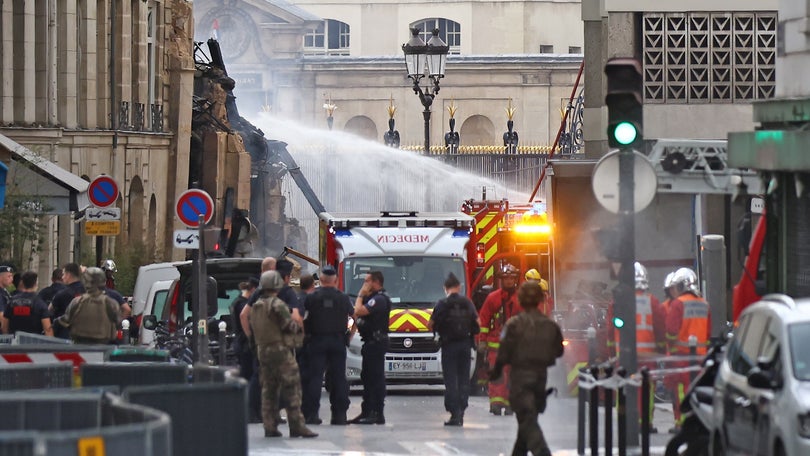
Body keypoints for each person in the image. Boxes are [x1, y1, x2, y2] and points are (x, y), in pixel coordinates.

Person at [488, 281, 564, 456]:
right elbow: (559, 351)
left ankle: (542, 451)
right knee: (528, 418)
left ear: (521, 300)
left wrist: (496, 372)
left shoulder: (513, 325)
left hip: (520, 380)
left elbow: (503, 352)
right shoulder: (550, 326)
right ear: (540, 300)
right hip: (540, 379)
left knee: (527, 420)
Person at [249, 270, 317, 439]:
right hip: (280, 350)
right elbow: (289, 325)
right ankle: (297, 426)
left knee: (269, 389)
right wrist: (299, 328)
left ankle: (269, 426)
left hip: (262, 350)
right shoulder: (277, 304)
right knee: (292, 386)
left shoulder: (256, 306)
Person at [301, 265, 353, 425]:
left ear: (321, 280)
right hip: (338, 341)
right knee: (338, 378)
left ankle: (311, 414)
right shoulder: (343, 298)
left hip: (316, 341)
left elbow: (303, 319)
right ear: (335, 280)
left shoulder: (311, 298)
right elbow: (355, 316)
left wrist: (305, 337)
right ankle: (339, 415)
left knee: (315, 378)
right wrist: (348, 337)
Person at [428, 272, 480, 426]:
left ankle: (454, 413)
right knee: (464, 379)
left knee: (451, 380)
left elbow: (430, 324)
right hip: (465, 345)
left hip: (449, 346)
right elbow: (478, 322)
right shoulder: (467, 303)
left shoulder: (442, 304)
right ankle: (461, 410)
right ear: (459, 287)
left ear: (446, 288)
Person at [665, 267, 710, 433]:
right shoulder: (704, 304)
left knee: (680, 391)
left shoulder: (678, 304)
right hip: (700, 357)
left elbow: (670, 330)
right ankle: (695, 421)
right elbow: (708, 332)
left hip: (681, 357)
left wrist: (670, 347)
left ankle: (682, 423)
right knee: (695, 391)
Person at [477, 263, 521, 415]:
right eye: (506, 278)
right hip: (495, 345)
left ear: (515, 279)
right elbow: (484, 320)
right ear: (502, 279)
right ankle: (496, 403)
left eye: (511, 278)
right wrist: (482, 340)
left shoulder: (521, 299)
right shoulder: (493, 298)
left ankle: (510, 404)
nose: (509, 281)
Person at [349, 271, 391, 425]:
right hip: (370, 343)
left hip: (376, 343)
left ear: (376, 282)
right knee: (367, 377)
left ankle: (376, 412)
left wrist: (360, 295)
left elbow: (358, 311)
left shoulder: (379, 299)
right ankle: (366, 411)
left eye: (367, 281)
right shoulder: (373, 298)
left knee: (375, 378)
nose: (364, 285)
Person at [56, 267, 120, 344]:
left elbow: (64, 321)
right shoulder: (110, 303)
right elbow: (118, 322)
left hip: (81, 345)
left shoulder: (77, 301)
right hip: (103, 346)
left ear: (86, 282)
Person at [2, 271, 52, 336]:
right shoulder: (40, 304)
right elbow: (47, 329)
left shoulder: (11, 302)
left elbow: (4, 327)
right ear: (36, 284)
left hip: (15, 343)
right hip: (34, 342)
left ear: (22, 283)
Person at [231, 277, 259, 381]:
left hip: (240, 342)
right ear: (253, 290)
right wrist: (250, 337)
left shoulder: (237, 302)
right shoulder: (242, 304)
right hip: (245, 344)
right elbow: (244, 317)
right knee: (249, 375)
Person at [50, 263, 85, 339]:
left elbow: (49, 309)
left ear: (68, 275)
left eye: (63, 274)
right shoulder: (87, 291)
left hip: (65, 335)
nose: (62, 277)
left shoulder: (62, 294)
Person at [0, 265, 14, 331]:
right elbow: (1, 315)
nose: (12, 279)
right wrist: (6, 332)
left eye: (12, 276)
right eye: (9, 276)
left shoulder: (5, 291)